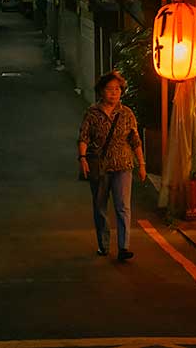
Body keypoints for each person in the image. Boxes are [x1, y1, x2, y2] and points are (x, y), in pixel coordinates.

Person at [78, 70, 146, 262]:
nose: (114, 93)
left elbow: (135, 140)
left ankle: (124, 247)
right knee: (100, 206)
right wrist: (82, 157)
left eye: (117, 89)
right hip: (99, 167)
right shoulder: (92, 113)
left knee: (123, 207)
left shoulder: (126, 114)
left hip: (123, 165)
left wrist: (141, 164)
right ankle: (104, 245)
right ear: (101, 91)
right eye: (110, 89)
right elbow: (83, 136)